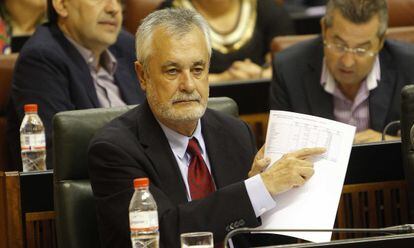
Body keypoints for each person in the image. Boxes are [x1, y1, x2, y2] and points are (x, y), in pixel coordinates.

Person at [88, 8, 324, 247]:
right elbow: (164, 234)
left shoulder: (235, 134)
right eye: (172, 71)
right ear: (143, 75)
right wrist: (258, 189)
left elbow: (253, 235)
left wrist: (276, 199)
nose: (188, 85)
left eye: (198, 69)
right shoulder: (114, 150)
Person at [6, 0, 145, 170]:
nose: (113, 9)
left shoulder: (128, 46)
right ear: (62, 5)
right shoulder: (40, 59)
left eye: (118, 0)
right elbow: (62, 155)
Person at [270, 0, 414, 144]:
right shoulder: (289, 69)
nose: (348, 62)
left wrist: (392, 143)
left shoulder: (409, 66)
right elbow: (281, 149)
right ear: (324, 29)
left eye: (361, 49)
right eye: (339, 46)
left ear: (381, 41)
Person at [160, 0, 294, 83]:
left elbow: (289, 68)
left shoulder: (267, 8)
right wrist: (223, 79)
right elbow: (166, 75)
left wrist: (259, 74)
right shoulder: (168, 15)